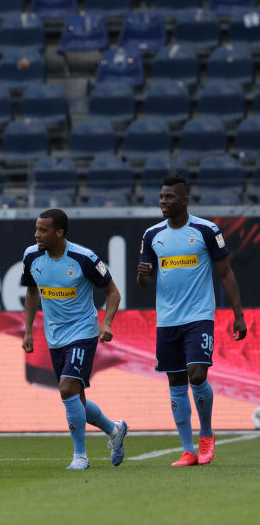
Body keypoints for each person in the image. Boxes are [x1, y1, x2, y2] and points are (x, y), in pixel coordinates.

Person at [137, 175, 247, 467]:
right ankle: (187, 449)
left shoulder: (206, 230)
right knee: (175, 381)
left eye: (169, 197)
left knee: (197, 374)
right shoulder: (151, 235)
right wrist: (142, 275)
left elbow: (225, 273)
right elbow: (144, 282)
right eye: (161, 197)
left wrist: (238, 315)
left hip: (199, 316)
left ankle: (207, 435)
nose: (163, 201)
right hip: (167, 320)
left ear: (183, 200)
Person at [21, 209, 128, 470]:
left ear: (59, 233)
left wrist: (106, 322)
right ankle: (114, 430)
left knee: (67, 388)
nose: (37, 235)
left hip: (83, 331)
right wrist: (28, 330)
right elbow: (32, 292)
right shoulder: (31, 256)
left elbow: (113, 293)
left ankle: (80, 456)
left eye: (43, 230)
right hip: (54, 335)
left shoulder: (84, 258)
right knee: (75, 398)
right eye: (36, 229)